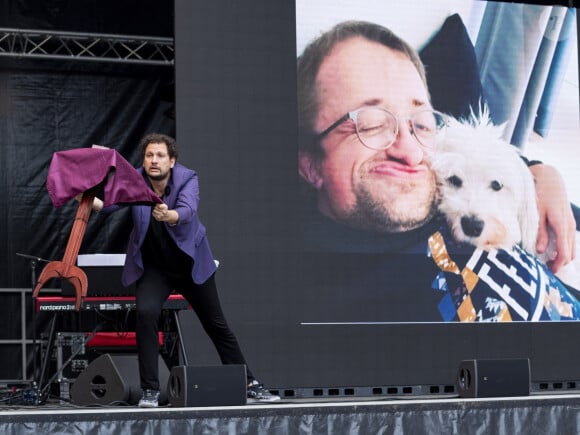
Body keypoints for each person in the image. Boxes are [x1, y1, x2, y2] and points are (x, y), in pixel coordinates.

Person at [296, 20, 580, 322]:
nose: (411, 151)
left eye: (420, 124)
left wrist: (539, 172)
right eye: (370, 124)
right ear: (309, 164)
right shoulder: (325, 304)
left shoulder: (442, 166)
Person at [90, 133, 279, 407]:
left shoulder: (187, 178)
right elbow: (108, 206)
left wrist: (169, 215)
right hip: (156, 267)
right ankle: (151, 391)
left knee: (216, 325)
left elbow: (188, 210)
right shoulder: (136, 181)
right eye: (149, 156)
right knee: (145, 314)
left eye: (160, 156)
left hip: (191, 264)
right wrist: (82, 198)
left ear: (172, 161)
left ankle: (250, 383)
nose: (154, 161)